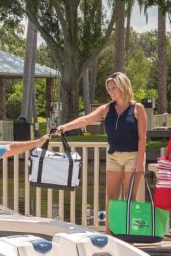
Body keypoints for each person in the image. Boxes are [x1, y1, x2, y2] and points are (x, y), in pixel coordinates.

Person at [53, 72, 147, 233]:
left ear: (123, 86)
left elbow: (142, 137)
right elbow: (85, 120)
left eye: (114, 88)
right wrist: (65, 127)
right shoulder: (107, 108)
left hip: (133, 156)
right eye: (109, 89)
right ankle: (110, 233)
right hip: (114, 157)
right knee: (111, 198)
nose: (111, 92)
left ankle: (128, 234)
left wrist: (139, 162)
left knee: (129, 198)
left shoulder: (137, 108)